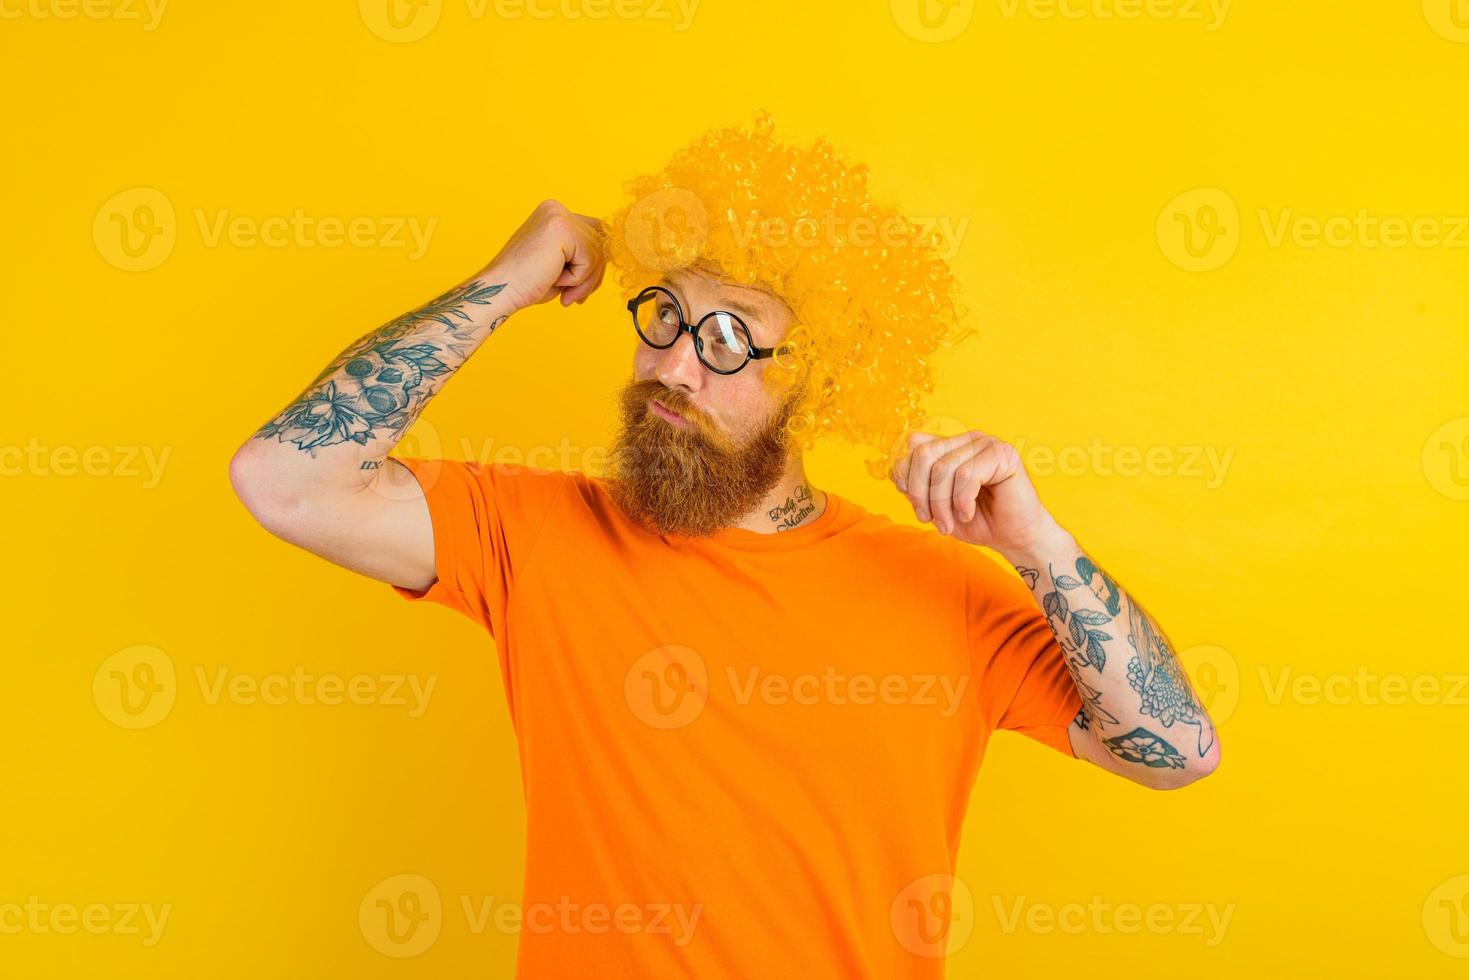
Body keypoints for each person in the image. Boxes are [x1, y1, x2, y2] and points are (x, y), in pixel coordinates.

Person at [229, 113, 1220, 978]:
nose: (673, 368)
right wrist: (507, 279)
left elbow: (1175, 751)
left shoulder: (940, 591)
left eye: (730, 337)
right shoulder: (532, 534)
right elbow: (283, 478)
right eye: (666, 314)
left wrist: (1039, 545)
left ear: (818, 383)